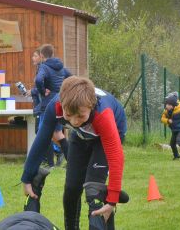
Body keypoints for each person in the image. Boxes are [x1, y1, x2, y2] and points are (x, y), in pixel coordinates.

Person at [21, 76, 126, 230]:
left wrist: (112, 200)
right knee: (71, 187)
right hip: (81, 135)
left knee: (94, 190)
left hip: (107, 136)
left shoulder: (103, 115)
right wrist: (27, 177)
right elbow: (41, 140)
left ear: (91, 106)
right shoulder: (55, 106)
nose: (75, 121)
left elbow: (116, 156)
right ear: (61, 104)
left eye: (80, 116)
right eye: (69, 115)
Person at [35, 44, 72, 162]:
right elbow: (72, 78)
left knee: (43, 133)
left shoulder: (44, 67)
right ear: (52, 54)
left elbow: (38, 80)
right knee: (57, 134)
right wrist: (63, 90)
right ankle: (72, 161)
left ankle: (48, 162)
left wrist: (42, 91)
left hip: (48, 105)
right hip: (59, 104)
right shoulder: (61, 67)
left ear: (41, 55)